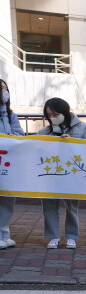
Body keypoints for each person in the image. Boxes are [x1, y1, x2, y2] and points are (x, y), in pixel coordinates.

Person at [37, 98, 86, 249]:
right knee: (49, 205)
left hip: (72, 173)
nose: (53, 117)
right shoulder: (44, 131)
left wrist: (73, 142)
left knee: (72, 206)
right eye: (49, 115)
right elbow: (37, 150)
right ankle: (53, 236)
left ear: (65, 111)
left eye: (55, 114)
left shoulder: (84, 128)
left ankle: (71, 236)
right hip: (50, 174)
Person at [0, 79, 24, 249]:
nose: (5, 91)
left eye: (6, 88)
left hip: (8, 163)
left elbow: (20, 134)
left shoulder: (10, 115)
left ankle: (4, 233)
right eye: (1, 88)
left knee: (8, 199)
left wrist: (11, 136)